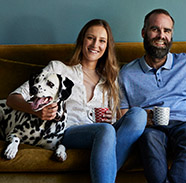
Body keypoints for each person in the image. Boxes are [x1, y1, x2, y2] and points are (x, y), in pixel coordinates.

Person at [6, 19, 147, 183]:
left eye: (102, 41)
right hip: (68, 131)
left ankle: (105, 172)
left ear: (107, 46)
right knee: (106, 130)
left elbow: (115, 119)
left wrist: (113, 119)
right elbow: (12, 98)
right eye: (91, 38)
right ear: (82, 40)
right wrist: (36, 110)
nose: (95, 44)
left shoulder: (110, 79)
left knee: (138, 114)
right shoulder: (58, 69)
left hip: (101, 132)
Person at [119, 9, 186, 183]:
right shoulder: (126, 74)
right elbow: (122, 115)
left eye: (167, 31)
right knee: (148, 139)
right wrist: (143, 119)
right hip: (150, 128)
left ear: (171, 35)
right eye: (155, 29)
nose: (161, 35)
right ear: (143, 33)